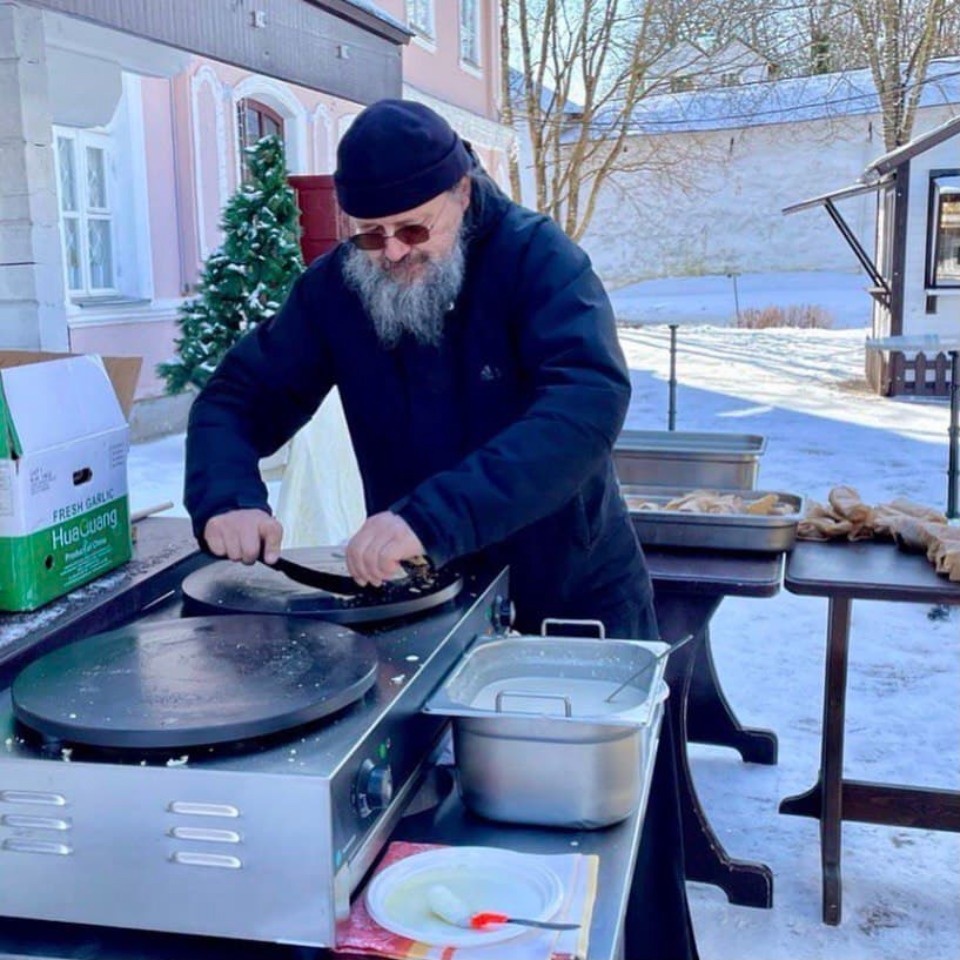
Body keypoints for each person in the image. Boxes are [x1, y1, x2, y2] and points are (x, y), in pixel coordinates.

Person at [185, 99, 698, 960]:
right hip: (424, 610)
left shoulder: (540, 260)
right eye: (366, 234)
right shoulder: (335, 289)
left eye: (411, 231)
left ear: (461, 191)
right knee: (427, 841)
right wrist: (227, 492)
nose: (389, 253)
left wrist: (428, 515)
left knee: (604, 855)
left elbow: (583, 410)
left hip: (568, 601)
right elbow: (236, 398)